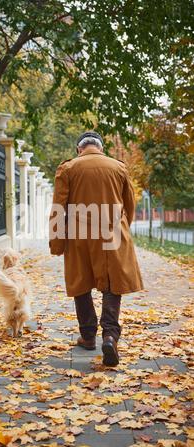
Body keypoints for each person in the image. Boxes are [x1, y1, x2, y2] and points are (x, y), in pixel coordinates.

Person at [49, 131, 143, 366]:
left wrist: (57, 242)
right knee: (112, 283)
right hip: (112, 232)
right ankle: (110, 335)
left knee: (80, 281)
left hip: (79, 234)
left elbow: (58, 207)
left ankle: (88, 336)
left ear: (79, 149)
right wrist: (124, 227)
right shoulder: (118, 167)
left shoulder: (68, 169)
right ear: (100, 148)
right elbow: (129, 204)